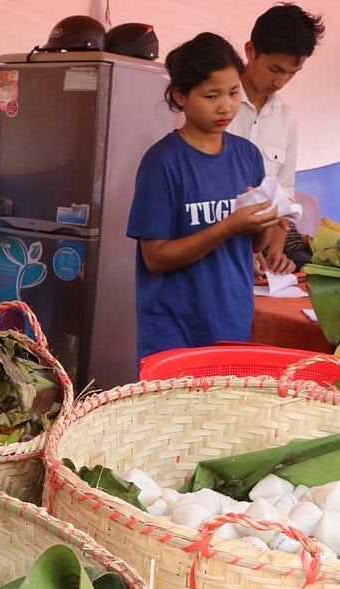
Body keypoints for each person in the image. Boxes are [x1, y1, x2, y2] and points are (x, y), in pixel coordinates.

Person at [126, 33, 283, 362]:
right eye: (212, 96)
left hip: (232, 318)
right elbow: (156, 257)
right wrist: (227, 226)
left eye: (233, 92)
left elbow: (254, 245)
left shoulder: (248, 156)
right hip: (172, 327)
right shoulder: (163, 162)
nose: (226, 106)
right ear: (181, 95)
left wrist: (266, 219)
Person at [228, 3, 325, 273]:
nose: (281, 81)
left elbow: (285, 195)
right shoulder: (218, 105)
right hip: (216, 242)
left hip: (260, 246)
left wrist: (276, 252)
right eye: (275, 69)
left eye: (292, 73)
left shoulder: (286, 119)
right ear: (251, 51)